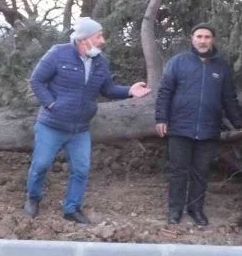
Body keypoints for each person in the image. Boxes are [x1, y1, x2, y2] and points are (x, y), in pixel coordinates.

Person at [25, 17, 151, 223]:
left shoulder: (100, 61)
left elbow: (108, 89)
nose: (103, 40)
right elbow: (37, 80)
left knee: (81, 170)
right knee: (40, 165)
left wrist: (129, 90)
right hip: (52, 125)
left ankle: (71, 209)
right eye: (99, 36)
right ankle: (33, 198)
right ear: (85, 39)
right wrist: (50, 104)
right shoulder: (58, 53)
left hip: (80, 129)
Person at [154, 23, 242, 226]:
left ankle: (196, 210)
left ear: (212, 40)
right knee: (178, 171)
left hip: (208, 129)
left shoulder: (221, 67)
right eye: (199, 36)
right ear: (192, 39)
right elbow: (165, 92)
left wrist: (239, 123)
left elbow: (229, 98)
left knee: (201, 172)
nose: (203, 40)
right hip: (179, 128)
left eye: (207, 37)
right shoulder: (178, 62)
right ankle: (174, 211)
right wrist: (161, 119)